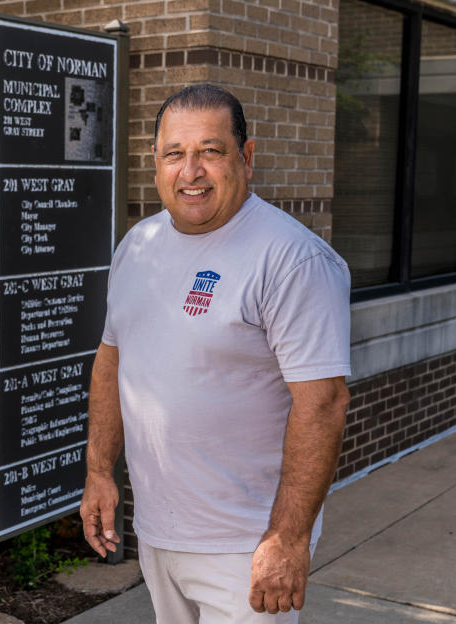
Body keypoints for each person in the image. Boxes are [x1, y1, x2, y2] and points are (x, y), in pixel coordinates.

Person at [79, 84, 351, 624]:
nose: (191, 171)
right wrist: (99, 471)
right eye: (175, 153)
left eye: (210, 150)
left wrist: (287, 540)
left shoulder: (292, 259)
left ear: (246, 158)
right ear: (155, 162)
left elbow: (323, 403)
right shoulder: (138, 246)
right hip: (157, 530)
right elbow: (113, 360)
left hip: (245, 544)